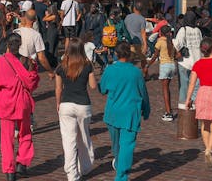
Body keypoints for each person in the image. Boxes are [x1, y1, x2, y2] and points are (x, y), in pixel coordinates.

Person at [0, 34, 39, 181]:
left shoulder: (1, 61)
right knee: (25, 133)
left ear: (7, 45)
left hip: (6, 102)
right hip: (22, 102)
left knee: (6, 138)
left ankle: (10, 171)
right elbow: (32, 83)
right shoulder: (26, 61)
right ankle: (22, 163)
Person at [100, 42, 151, 181]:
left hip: (113, 113)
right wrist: (146, 110)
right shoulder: (136, 72)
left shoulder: (110, 69)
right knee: (127, 145)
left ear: (116, 54)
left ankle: (119, 164)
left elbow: (102, 89)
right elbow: (143, 93)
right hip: (130, 114)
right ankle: (121, 174)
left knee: (117, 144)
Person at [55, 40, 97, 181]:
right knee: (84, 137)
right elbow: (92, 86)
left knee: (69, 141)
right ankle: (85, 166)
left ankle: (72, 174)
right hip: (83, 104)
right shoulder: (87, 65)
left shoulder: (62, 66)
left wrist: (58, 103)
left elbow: (58, 88)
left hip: (66, 104)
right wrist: (91, 72)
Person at [183, 37, 212, 166]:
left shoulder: (198, 64)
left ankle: (207, 147)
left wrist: (188, 99)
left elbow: (191, 83)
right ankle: (209, 149)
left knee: (205, 123)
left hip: (203, 93)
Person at [149, 23, 179, 121]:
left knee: (165, 90)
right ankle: (168, 109)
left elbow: (155, 55)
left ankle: (168, 113)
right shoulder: (171, 41)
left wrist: (147, 65)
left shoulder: (160, 41)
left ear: (161, 33)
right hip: (172, 65)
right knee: (167, 88)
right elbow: (176, 55)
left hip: (165, 66)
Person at [173, 12, 204, 106]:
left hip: (185, 62)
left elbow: (177, 44)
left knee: (184, 85)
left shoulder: (183, 29)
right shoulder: (198, 30)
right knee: (195, 85)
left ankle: (183, 105)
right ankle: (194, 104)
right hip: (197, 61)